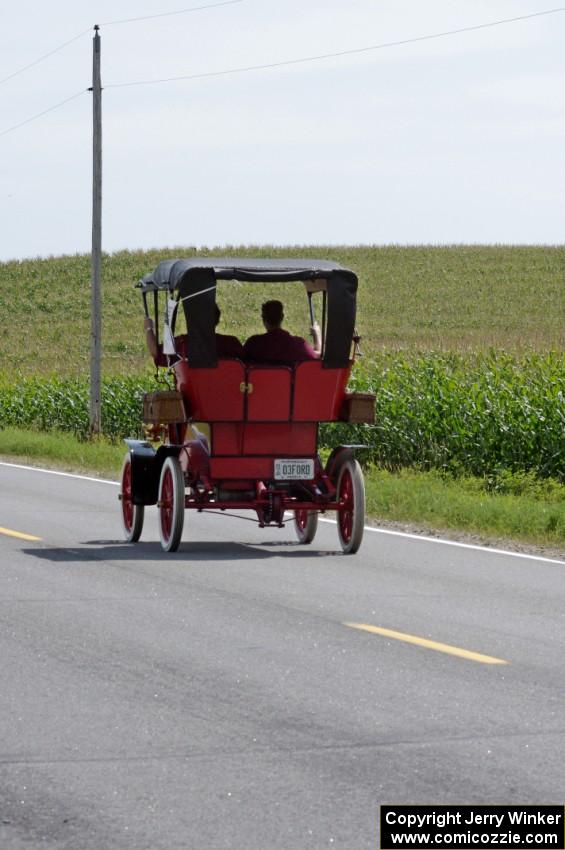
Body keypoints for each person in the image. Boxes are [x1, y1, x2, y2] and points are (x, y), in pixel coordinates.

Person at [144, 304, 243, 366]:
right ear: (216, 319)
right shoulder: (232, 344)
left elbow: (155, 352)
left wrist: (149, 329)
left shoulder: (184, 343)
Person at [242, 300, 321, 365]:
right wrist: (317, 336)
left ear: (263, 319)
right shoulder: (298, 345)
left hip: (259, 384)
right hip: (287, 384)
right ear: (282, 317)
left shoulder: (253, 344)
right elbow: (316, 359)